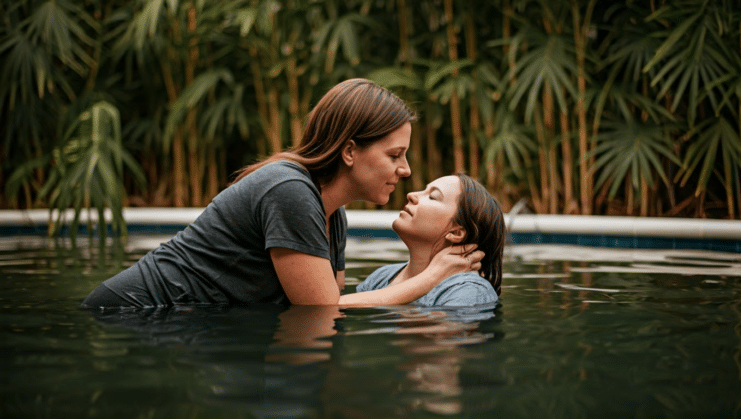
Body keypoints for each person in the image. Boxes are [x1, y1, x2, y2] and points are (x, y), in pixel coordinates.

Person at [81, 78, 484, 309]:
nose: (406, 169)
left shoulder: (333, 214)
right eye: (395, 154)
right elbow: (322, 310)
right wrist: (433, 275)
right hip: (129, 313)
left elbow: (327, 313)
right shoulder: (289, 189)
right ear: (349, 151)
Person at [356, 173, 505, 306]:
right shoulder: (382, 276)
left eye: (432, 196)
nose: (411, 194)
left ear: (456, 232)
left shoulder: (468, 291)